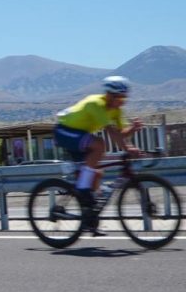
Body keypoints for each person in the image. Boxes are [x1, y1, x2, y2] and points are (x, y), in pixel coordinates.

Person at [55, 76, 142, 235]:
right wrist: (128, 149)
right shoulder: (96, 103)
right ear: (110, 95)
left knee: (96, 174)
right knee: (99, 144)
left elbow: (121, 133)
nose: (123, 101)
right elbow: (111, 132)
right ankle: (82, 189)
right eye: (120, 97)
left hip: (79, 135)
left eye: (125, 97)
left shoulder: (116, 109)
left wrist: (133, 129)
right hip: (65, 131)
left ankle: (89, 218)